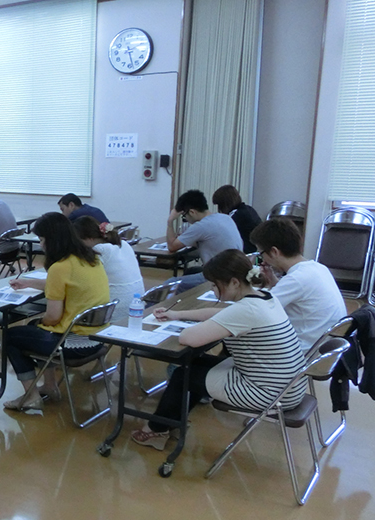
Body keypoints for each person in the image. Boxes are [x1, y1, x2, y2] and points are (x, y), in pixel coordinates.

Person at [131, 249, 307, 450]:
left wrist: (188, 325)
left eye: (215, 285)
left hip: (267, 393)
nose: (213, 290)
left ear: (234, 283)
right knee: (195, 364)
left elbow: (188, 338)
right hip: (288, 387)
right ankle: (172, 422)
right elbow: (222, 313)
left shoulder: (246, 310)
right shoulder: (264, 297)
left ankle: (156, 430)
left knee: (182, 375)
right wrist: (177, 315)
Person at [4, 213, 110, 411]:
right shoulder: (91, 258)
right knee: (33, 328)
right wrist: (29, 283)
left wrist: (41, 321)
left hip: (74, 343)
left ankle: (31, 396)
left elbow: (53, 317)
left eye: (42, 239)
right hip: (98, 338)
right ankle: (50, 386)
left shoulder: (60, 267)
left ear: (52, 240)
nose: (41, 244)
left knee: (10, 336)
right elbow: (67, 285)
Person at [250, 217, 347, 352]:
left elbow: (257, 310)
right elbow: (294, 296)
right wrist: (272, 280)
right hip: (325, 347)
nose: (263, 260)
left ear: (274, 252)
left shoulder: (296, 279)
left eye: (261, 254)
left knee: (244, 338)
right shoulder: (317, 268)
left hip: (303, 352)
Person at [166, 189, 243, 292]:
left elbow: (172, 247)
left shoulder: (201, 226)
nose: (185, 220)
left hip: (218, 276)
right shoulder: (225, 217)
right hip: (236, 272)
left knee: (170, 283)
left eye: (184, 217)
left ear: (192, 212)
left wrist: (170, 221)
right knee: (191, 271)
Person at [73, 216, 144, 322]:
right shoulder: (123, 244)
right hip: (136, 306)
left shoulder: (99, 250)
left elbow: (82, 280)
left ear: (90, 239)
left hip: (116, 311)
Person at [212, 185, 262, 253]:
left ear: (224, 204)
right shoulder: (248, 209)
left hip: (245, 253)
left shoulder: (236, 215)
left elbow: (219, 231)